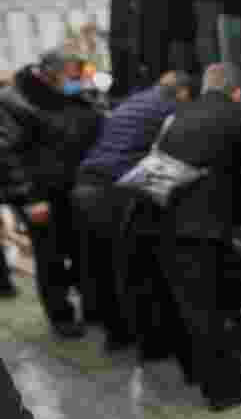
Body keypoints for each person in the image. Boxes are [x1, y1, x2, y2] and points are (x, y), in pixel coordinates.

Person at [156, 63, 241, 411]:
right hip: (199, 229)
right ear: (236, 92)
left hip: (162, 221)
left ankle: (197, 372)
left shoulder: (178, 115)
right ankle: (223, 391)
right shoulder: (238, 115)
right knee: (206, 311)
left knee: (187, 307)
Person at [73, 71, 193, 352]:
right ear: (184, 93)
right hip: (114, 192)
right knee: (133, 268)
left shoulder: (132, 101)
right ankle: (152, 344)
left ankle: (116, 335)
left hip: (84, 186)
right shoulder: (170, 109)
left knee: (101, 266)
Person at [0, 47, 103, 338]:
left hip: (76, 187)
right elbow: (8, 155)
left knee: (84, 250)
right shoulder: (14, 101)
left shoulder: (73, 95)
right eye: (71, 75)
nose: (77, 80)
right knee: (50, 256)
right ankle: (61, 316)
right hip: (41, 194)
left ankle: (92, 307)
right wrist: (30, 198)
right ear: (50, 74)